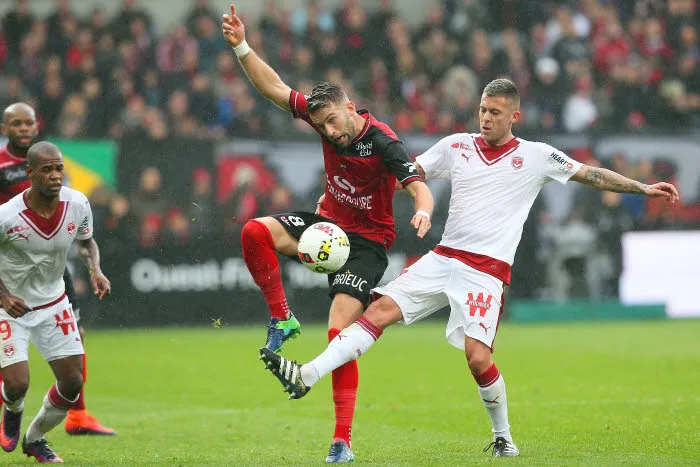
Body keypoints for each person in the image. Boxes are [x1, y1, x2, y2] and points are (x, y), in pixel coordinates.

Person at [259, 78, 680, 458]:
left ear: (514, 116)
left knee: (477, 359)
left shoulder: (536, 156)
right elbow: (404, 173)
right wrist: (342, 201)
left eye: (495, 113)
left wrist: (641, 187)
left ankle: (504, 437)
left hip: (486, 271)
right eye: (482, 110)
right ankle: (307, 374)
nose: (486, 118)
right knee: (376, 314)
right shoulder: (456, 146)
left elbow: (591, 175)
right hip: (444, 258)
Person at [222, 4, 434, 463]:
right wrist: (241, 45)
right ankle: (282, 318)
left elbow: (417, 183)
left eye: (333, 121)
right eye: (320, 126)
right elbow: (274, 87)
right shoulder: (322, 120)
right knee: (254, 232)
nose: (328, 131)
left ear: (350, 108)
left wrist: (422, 211)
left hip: (366, 246)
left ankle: (342, 442)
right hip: (327, 227)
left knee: (340, 331)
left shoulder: (382, 141)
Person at [0, 103, 115, 436]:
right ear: (6, 129)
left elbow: (83, 232)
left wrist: (95, 269)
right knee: (14, 367)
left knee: (74, 339)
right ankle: (11, 408)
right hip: (11, 267)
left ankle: (78, 415)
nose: (23, 128)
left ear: (37, 126)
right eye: (16, 124)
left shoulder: (51, 164)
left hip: (50, 266)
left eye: (29, 123)